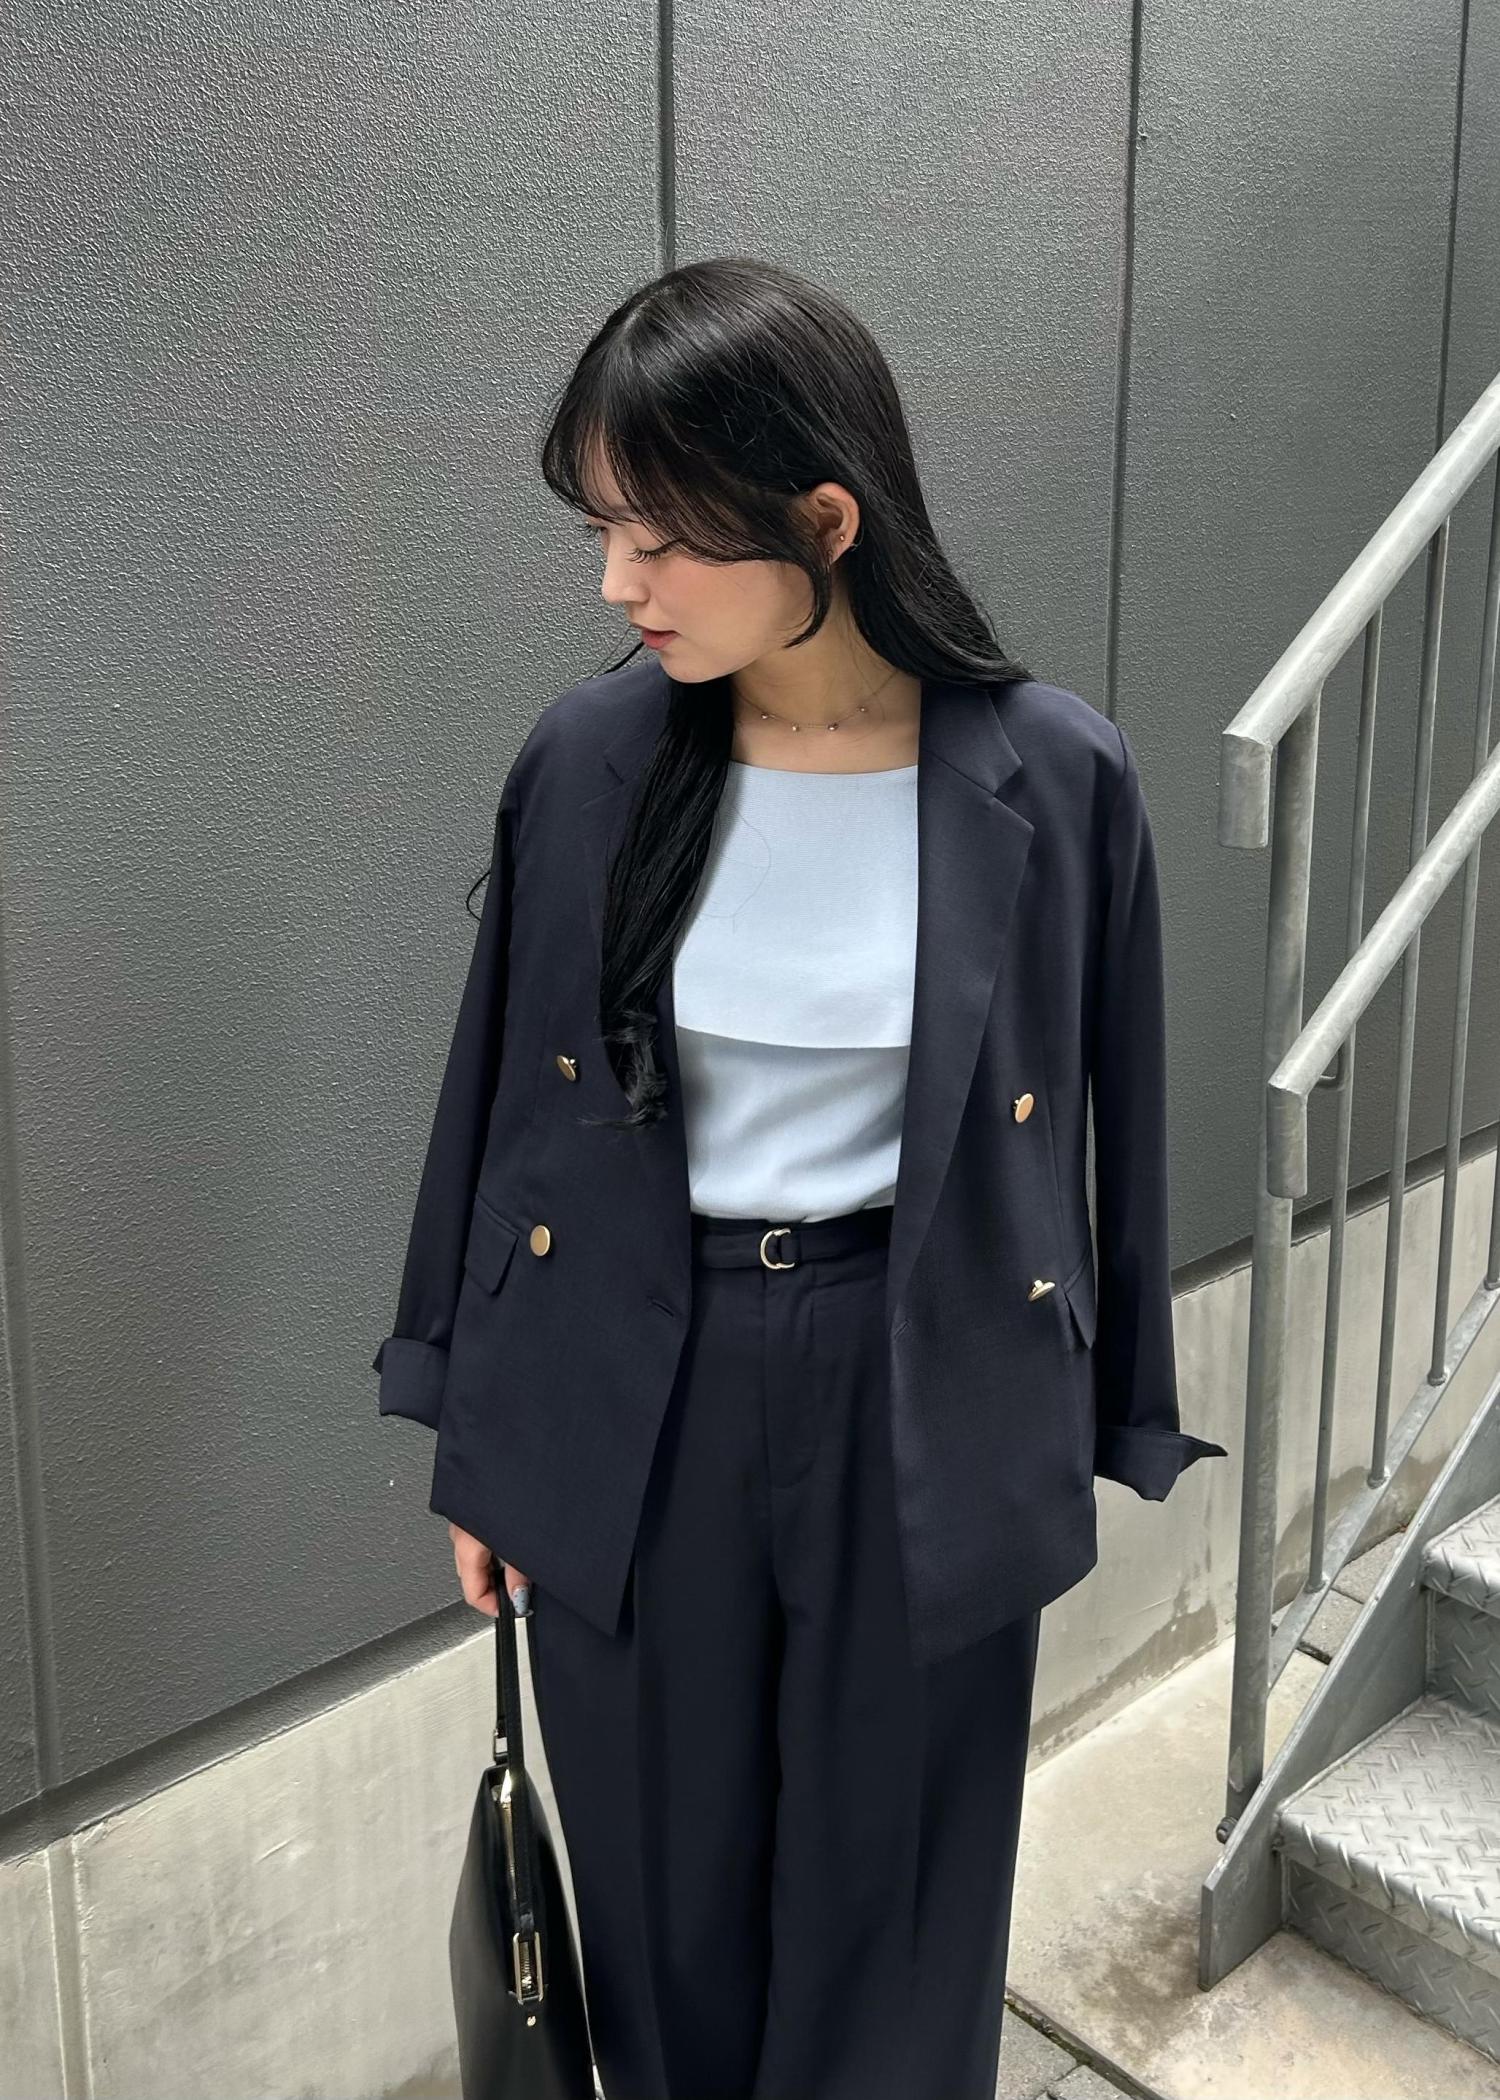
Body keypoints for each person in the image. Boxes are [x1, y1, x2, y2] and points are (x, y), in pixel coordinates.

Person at [373, 254, 1227, 2100]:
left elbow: (1112, 1116)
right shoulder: (592, 760)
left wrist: (1109, 1407)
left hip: (920, 1385)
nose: (620, 585)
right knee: (661, 1902)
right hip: (638, 1388)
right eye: (604, 533)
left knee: (898, 1907)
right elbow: (503, 1104)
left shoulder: (1053, 775)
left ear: (825, 520)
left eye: (661, 538)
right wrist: (478, 1427)